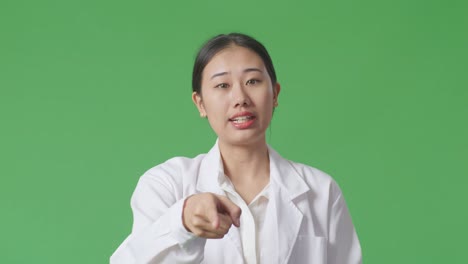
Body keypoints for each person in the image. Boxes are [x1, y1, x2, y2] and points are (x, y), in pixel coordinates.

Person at [110, 33, 362, 264]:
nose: (240, 98)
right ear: (200, 103)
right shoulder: (166, 184)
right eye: (222, 85)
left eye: (253, 81)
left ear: (274, 94)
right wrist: (182, 221)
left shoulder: (321, 191)